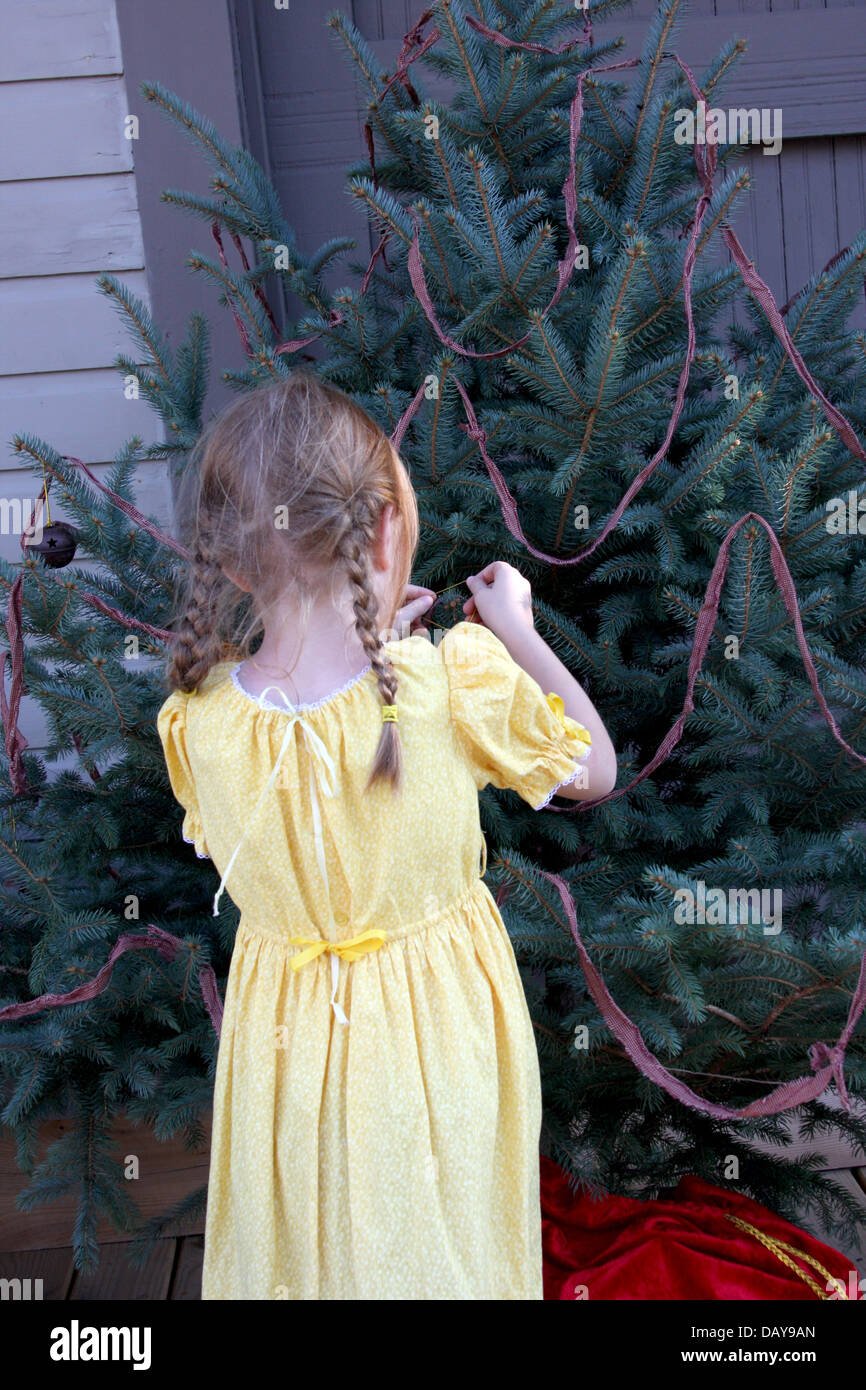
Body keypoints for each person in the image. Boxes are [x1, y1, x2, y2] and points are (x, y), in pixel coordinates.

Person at [157, 369, 618, 1300]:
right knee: (437, 1237)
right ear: (382, 528)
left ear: (236, 564)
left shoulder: (198, 718)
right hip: (433, 1031)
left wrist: (366, 655)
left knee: (312, 1239)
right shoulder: (447, 683)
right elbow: (592, 770)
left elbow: (301, 781)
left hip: (284, 1042)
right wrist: (519, 632)